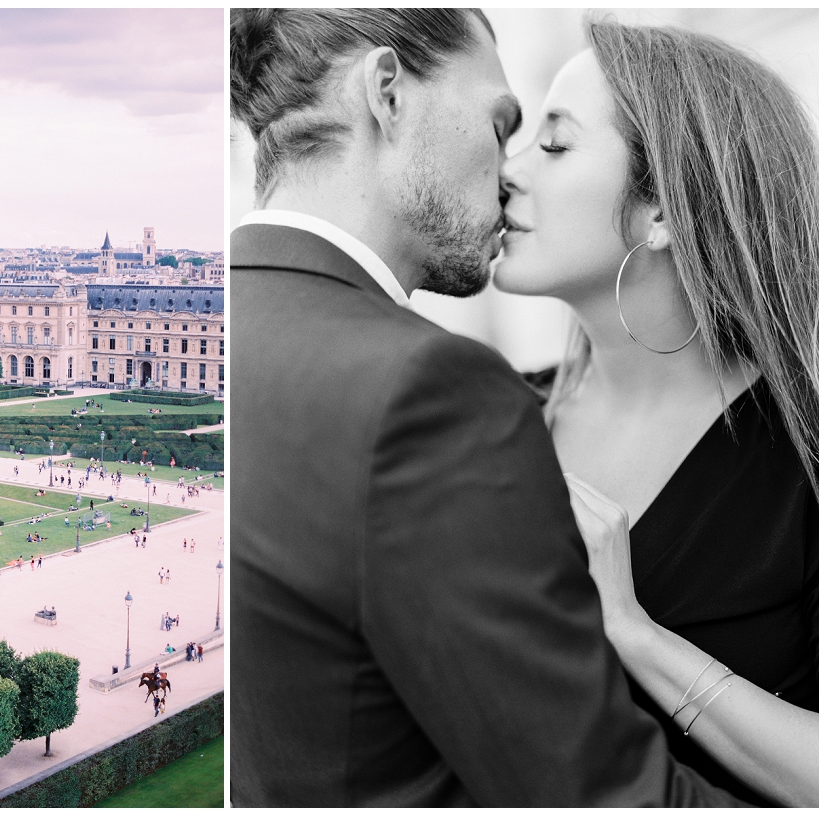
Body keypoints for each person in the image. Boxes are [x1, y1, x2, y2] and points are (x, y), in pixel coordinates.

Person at [230, 8, 747, 807]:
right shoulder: (431, 388)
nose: (506, 170)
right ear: (388, 92)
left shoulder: (235, 320)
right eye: (502, 122)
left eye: (549, 139)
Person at [493, 20, 818, 807]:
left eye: (556, 145)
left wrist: (633, 634)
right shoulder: (498, 415)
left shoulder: (806, 462)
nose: (506, 171)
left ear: (662, 211)